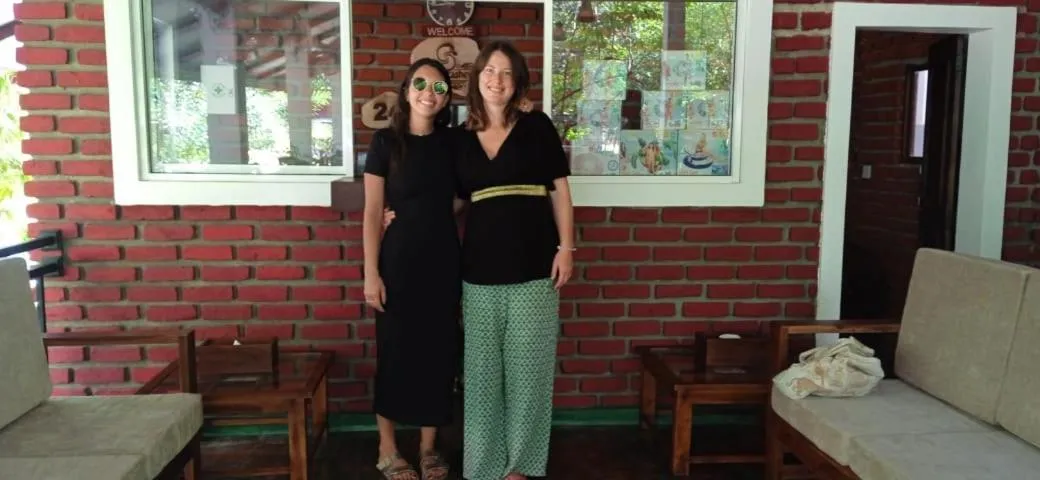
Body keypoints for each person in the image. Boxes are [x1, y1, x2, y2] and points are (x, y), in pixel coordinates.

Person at [455, 40, 575, 480]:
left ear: (517, 81)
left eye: (506, 72)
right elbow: (448, 201)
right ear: (477, 78)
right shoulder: (460, 139)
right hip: (478, 274)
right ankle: (484, 467)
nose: (496, 79)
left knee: (529, 375)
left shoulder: (537, 126)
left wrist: (567, 247)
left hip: (534, 269)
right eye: (489, 70)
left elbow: (560, 190)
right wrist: (399, 214)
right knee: (483, 380)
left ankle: (520, 468)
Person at [362, 58, 460, 480]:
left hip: (443, 262)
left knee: (438, 353)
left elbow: (462, 198)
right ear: (406, 90)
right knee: (395, 351)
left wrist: (427, 212)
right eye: (421, 83)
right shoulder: (385, 143)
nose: (429, 93)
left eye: (439, 87)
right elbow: (370, 212)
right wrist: (370, 272)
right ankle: (387, 447)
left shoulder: (453, 143)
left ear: (447, 98)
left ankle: (427, 448)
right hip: (397, 262)